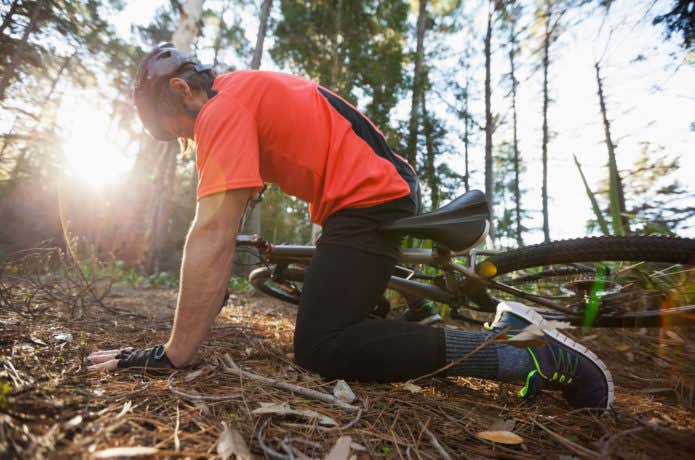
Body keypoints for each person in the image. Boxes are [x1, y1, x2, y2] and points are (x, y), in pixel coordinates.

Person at [87, 43, 613, 409]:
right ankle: (420, 312)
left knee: (322, 346)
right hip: (372, 187)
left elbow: (211, 233)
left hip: (369, 197)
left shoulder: (219, 111)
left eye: (179, 133)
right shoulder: (238, 92)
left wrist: (173, 354)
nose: (188, 144)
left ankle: (525, 354)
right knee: (334, 283)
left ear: (182, 91)